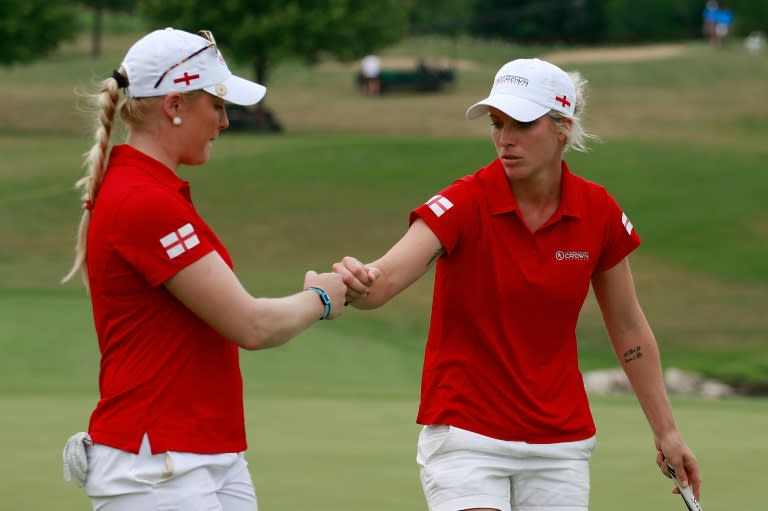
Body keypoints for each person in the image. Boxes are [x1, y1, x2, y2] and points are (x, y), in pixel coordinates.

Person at [333, 58, 701, 511]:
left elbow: (628, 329)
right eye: (497, 123)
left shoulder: (598, 211)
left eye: (522, 124)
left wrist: (667, 431)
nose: (505, 139)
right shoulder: (465, 201)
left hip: (560, 445)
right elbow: (383, 281)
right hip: (467, 437)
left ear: (562, 126)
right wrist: (355, 283)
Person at [60, 28, 346, 510]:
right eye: (217, 105)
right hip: (157, 463)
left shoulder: (148, 190)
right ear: (174, 105)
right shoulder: (143, 200)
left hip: (200, 452)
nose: (226, 121)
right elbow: (251, 325)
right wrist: (321, 298)